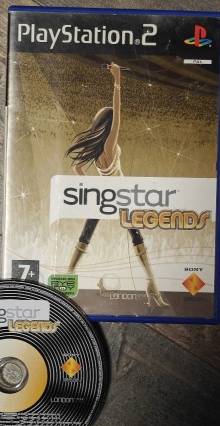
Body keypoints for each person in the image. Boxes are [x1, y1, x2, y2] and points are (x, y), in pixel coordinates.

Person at [65, 63, 168, 307]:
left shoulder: (97, 149)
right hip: (120, 195)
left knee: (86, 236)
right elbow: (118, 113)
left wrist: (92, 190)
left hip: (104, 195)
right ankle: (152, 286)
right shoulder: (109, 145)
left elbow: (77, 168)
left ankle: (67, 277)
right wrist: (118, 80)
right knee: (136, 238)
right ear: (109, 125)